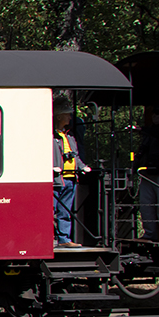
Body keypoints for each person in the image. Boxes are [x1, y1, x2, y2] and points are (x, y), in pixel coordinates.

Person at [53, 96, 91, 248]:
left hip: (70, 178)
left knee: (65, 210)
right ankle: (51, 238)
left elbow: (75, 156)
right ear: (59, 116)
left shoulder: (69, 135)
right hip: (56, 179)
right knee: (52, 210)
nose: (70, 117)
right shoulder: (51, 136)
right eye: (68, 114)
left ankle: (64, 239)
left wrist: (82, 166)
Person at [137, 104, 159, 241]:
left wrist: (142, 129)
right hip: (146, 173)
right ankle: (150, 234)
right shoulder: (148, 134)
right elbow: (142, 151)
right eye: (153, 114)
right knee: (146, 205)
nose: (155, 116)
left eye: (158, 114)